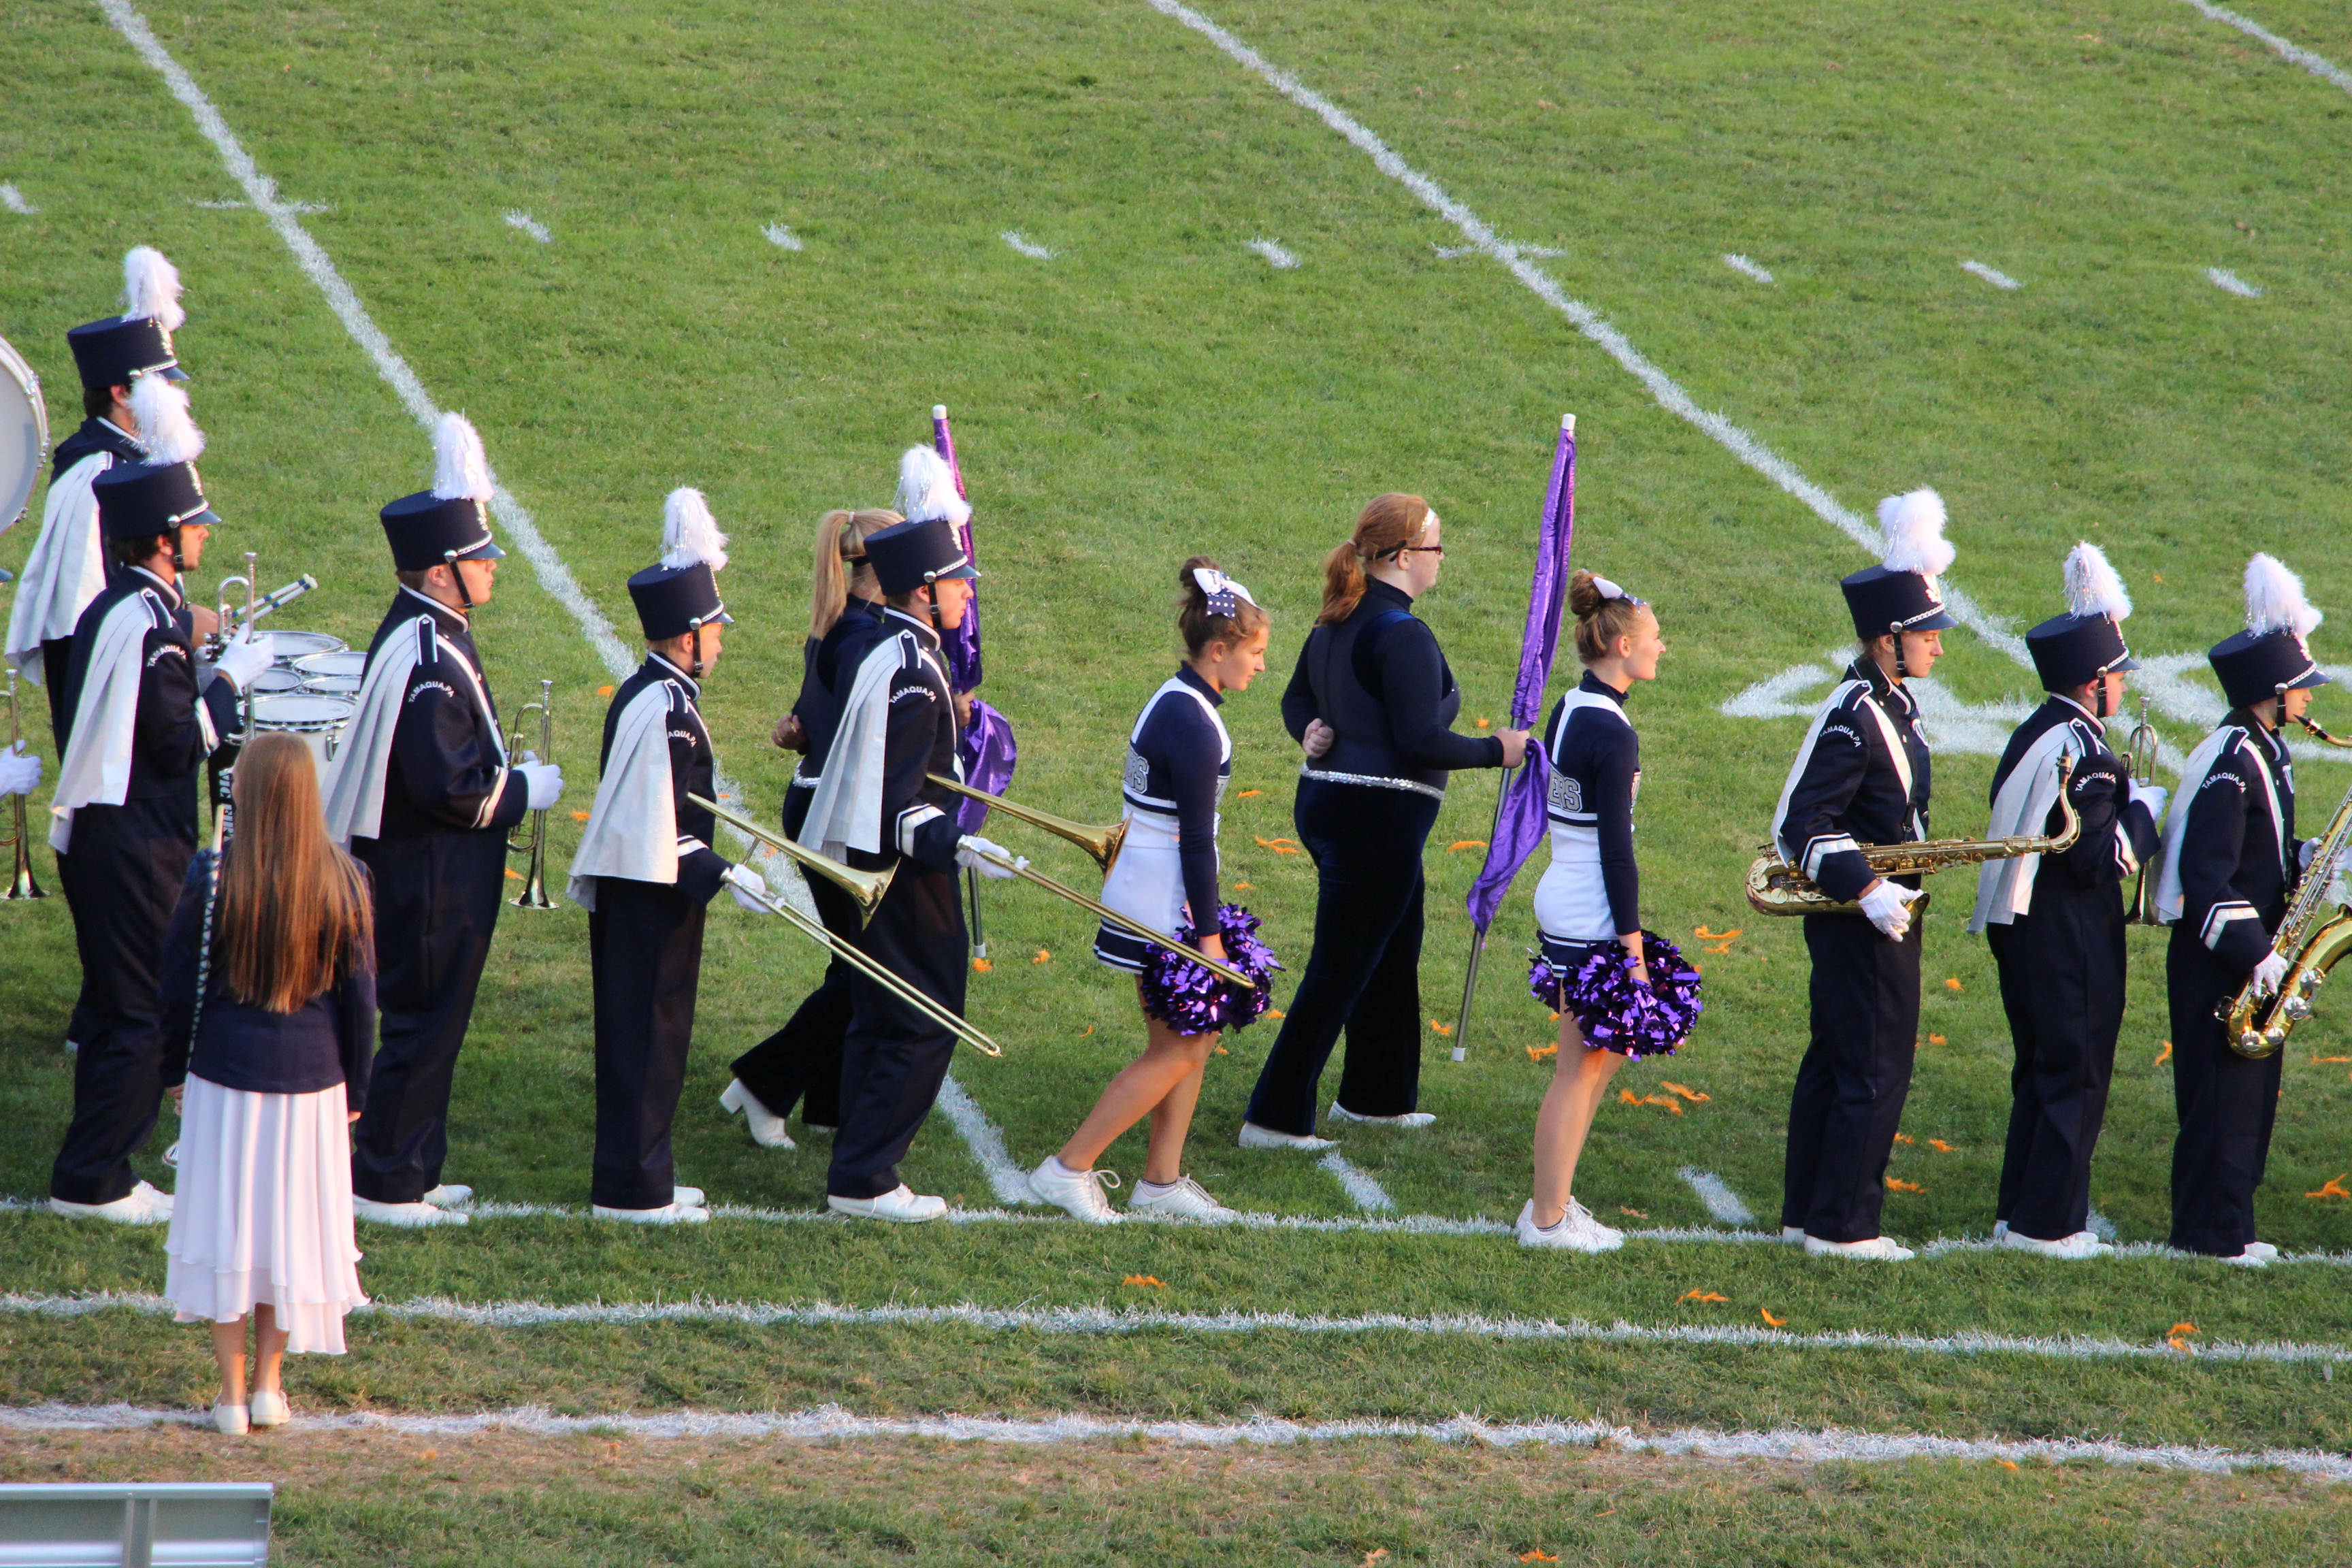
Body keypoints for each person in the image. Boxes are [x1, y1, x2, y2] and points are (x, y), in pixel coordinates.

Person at [321, 413, 563, 1227]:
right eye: (477, 557)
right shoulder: (427, 652)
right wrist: (522, 789)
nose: (492, 565)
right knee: (423, 1026)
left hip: (434, 870)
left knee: (436, 1026)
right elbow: (446, 787)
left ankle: (415, 1165)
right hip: (430, 874)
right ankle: (386, 1181)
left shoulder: (433, 629)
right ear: (439, 572)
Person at [46, 381, 270, 1224]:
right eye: (197, 524)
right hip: (134, 843)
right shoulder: (147, 621)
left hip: (110, 836)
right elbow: (177, 742)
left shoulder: (128, 606)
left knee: (120, 1009)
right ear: (166, 539)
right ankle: (96, 1180)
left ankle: (94, 1167)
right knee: (140, 1013)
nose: (207, 533)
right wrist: (229, 684)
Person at [1241, 493, 1526, 1149]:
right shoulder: (1402, 634)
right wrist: (1498, 750)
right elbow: (1420, 739)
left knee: (1394, 948)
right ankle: (1274, 1117)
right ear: (1401, 557)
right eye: (1435, 547)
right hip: (1375, 820)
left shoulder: (1336, 620)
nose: (1441, 558)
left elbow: (1296, 700)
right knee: (1340, 967)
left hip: (1335, 808)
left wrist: (1307, 729)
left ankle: (1376, 1097)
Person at [1028, 560, 1277, 1224]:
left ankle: (1160, 1182)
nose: (1261, 666)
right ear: (1218, 650)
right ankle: (1067, 1168)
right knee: (1179, 1048)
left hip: (1151, 888)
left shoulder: (1177, 698)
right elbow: (1195, 841)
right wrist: (1211, 941)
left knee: (1193, 1036)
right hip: (1162, 900)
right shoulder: (1193, 724)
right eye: (1254, 653)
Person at [794, 515, 1020, 1222]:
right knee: (923, 1018)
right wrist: (961, 844)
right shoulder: (914, 672)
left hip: (876, 864)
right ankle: (865, 1178)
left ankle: (855, 1161)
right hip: (900, 872)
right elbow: (898, 805)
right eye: (958, 582)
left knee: (879, 1013)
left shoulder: (895, 648)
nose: (967, 594)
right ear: (924, 590)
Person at [158, 732, 374, 1435]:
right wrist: (357, 1092)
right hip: (312, 1087)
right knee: (288, 1236)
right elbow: (360, 1003)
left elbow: (174, 989)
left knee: (228, 1235)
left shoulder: (214, 874)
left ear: (245, 792)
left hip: (224, 1080)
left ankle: (228, 1396)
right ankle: (269, 1388)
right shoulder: (345, 876)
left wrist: (171, 1071)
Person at [1769, 489, 1963, 1262]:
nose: (1938, 648)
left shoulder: (1894, 702)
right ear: (1890, 639)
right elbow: (1803, 822)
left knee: (1839, 1060)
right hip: (1863, 917)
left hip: (1879, 908)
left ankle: (1807, 1213)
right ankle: (1844, 1226)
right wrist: (1869, 890)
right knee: (1873, 1067)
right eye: (1928, 636)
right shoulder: (1857, 710)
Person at [1967, 544, 2166, 1260]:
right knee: (2074, 1074)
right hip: (2069, 936)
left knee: (2040, 1071)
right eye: (2117, 675)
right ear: (2092, 683)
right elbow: (2096, 858)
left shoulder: (2036, 729)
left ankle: (2018, 1211)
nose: (2123, 685)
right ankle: (2048, 1225)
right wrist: (2143, 813)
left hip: (2024, 929)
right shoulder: (2086, 750)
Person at [568, 489, 762, 1223]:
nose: (721, 643)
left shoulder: (659, 695)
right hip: (649, 895)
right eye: (715, 631)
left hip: (653, 892)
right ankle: (632, 1192)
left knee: (657, 1039)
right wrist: (725, 872)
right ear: (687, 638)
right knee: (646, 1042)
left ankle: (646, 1175)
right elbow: (659, 822)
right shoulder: (666, 710)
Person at [2153, 553, 2332, 1267]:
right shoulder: (2232, 760)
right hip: (2221, 959)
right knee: (2221, 1102)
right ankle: (2209, 1233)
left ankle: (2233, 1224)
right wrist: (2258, 955)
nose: (2311, 699)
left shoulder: (2265, 748)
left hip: (2252, 954)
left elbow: (2260, 854)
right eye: (2302, 688)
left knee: (2250, 1099)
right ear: (2273, 693)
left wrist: (2310, 857)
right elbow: (2206, 878)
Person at [1519, 570, 1699, 1252]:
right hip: (1590, 903)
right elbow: (1618, 853)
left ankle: (1555, 1201)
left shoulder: (1571, 705)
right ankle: (1546, 1218)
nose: (1663, 647)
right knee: (1579, 1069)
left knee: (1595, 1061)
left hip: (1565, 887)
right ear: (1623, 645)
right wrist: (1632, 949)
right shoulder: (1615, 733)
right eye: (1655, 637)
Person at [719, 506, 901, 1149]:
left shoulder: (842, 623)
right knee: (868, 971)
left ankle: (828, 1100)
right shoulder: (867, 637)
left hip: (819, 800)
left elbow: (811, 716)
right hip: (838, 814)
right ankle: (764, 1082)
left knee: (852, 961)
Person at [7, 246, 191, 746]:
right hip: (106, 679)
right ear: (122, 393)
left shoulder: (123, 459)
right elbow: (88, 605)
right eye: (161, 383)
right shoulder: (99, 474)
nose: (177, 398)